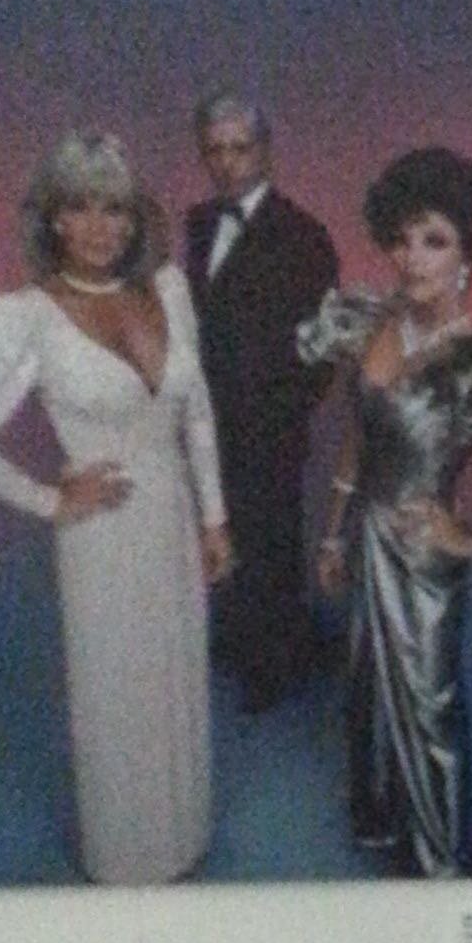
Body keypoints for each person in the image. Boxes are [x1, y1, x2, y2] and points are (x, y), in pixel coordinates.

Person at [0, 131, 232, 885]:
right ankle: (128, 858)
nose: (102, 227)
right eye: (82, 208)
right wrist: (50, 498)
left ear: (135, 219)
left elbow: (196, 410)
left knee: (175, 679)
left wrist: (214, 518)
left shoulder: (167, 288)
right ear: (55, 220)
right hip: (102, 529)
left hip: (173, 517)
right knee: (117, 691)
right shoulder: (26, 316)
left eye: (116, 209)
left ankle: (183, 834)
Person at [301, 147, 472, 877]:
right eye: (402, 240)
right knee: (366, 685)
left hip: (423, 557)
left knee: (430, 707)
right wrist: (332, 536)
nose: (412, 258)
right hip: (367, 540)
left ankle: (440, 861)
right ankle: (380, 822)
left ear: (467, 254)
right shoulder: (373, 325)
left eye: (435, 240)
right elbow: (359, 440)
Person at [183, 90, 339, 711]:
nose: (226, 163)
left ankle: (274, 668)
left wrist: (281, 416)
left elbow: (323, 348)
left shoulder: (304, 234)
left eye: (239, 148)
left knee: (271, 544)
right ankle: (237, 642)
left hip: (269, 426)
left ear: (266, 151)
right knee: (221, 533)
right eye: (214, 150)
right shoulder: (198, 224)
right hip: (206, 420)